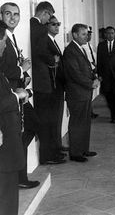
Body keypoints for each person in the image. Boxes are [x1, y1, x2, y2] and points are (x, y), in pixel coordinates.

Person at [0, 2, 40, 188]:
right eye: (8, 14)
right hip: (9, 96)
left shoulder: (11, 37)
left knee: (30, 127)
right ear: (1, 15)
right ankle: (17, 178)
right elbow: (4, 70)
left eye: (16, 14)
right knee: (19, 134)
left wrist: (24, 76)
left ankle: (19, 176)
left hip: (18, 91)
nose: (12, 18)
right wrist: (21, 69)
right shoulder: (2, 39)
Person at [30, 1, 66, 165]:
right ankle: (47, 156)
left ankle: (50, 153)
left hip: (43, 82)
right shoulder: (38, 27)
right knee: (45, 120)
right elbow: (40, 51)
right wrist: (53, 60)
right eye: (49, 17)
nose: (49, 21)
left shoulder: (33, 26)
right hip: (43, 82)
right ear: (44, 13)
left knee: (47, 119)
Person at [0, 20, 28, 215]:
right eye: (3, 41)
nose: (4, 45)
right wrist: (17, 96)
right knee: (7, 195)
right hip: (4, 139)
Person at [63, 23, 100, 162]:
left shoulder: (80, 48)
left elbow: (86, 69)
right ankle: (75, 153)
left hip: (83, 93)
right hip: (77, 94)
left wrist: (94, 78)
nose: (87, 36)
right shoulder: (71, 51)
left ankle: (84, 149)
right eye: (83, 34)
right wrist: (91, 83)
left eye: (87, 34)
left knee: (85, 122)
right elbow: (75, 74)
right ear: (75, 35)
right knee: (77, 123)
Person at [46, 15, 67, 157]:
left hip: (58, 85)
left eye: (58, 24)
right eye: (53, 24)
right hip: (52, 86)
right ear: (46, 25)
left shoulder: (53, 41)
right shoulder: (46, 41)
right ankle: (54, 148)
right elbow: (51, 62)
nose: (57, 26)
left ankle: (57, 145)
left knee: (58, 117)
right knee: (53, 118)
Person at [97, 26, 115, 123]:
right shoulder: (101, 45)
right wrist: (99, 74)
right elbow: (99, 61)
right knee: (108, 95)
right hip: (106, 75)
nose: (110, 35)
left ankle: (114, 115)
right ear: (105, 35)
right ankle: (114, 111)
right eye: (108, 33)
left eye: (112, 33)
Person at [82, 26, 99, 119]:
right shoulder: (83, 46)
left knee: (90, 93)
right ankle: (89, 112)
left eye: (90, 34)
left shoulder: (90, 45)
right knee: (87, 92)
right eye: (87, 34)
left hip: (93, 70)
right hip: (88, 71)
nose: (89, 36)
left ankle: (90, 111)